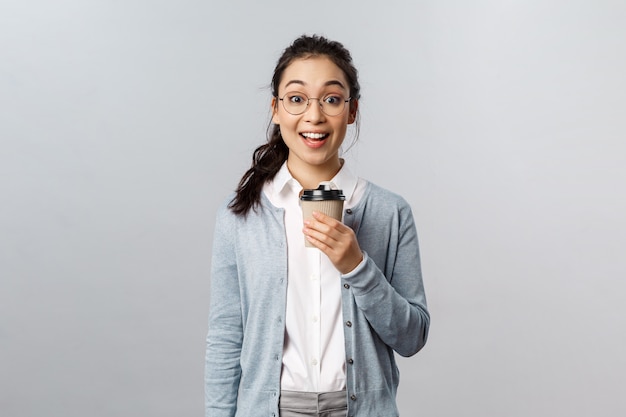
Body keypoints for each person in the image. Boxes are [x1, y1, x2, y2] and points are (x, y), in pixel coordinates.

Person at [205, 34, 429, 417]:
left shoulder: (390, 212)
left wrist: (358, 267)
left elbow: (411, 338)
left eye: (331, 99)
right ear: (275, 109)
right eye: (296, 99)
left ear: (352, 110)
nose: (314, 116)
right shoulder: (241, 215)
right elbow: (226, 337)